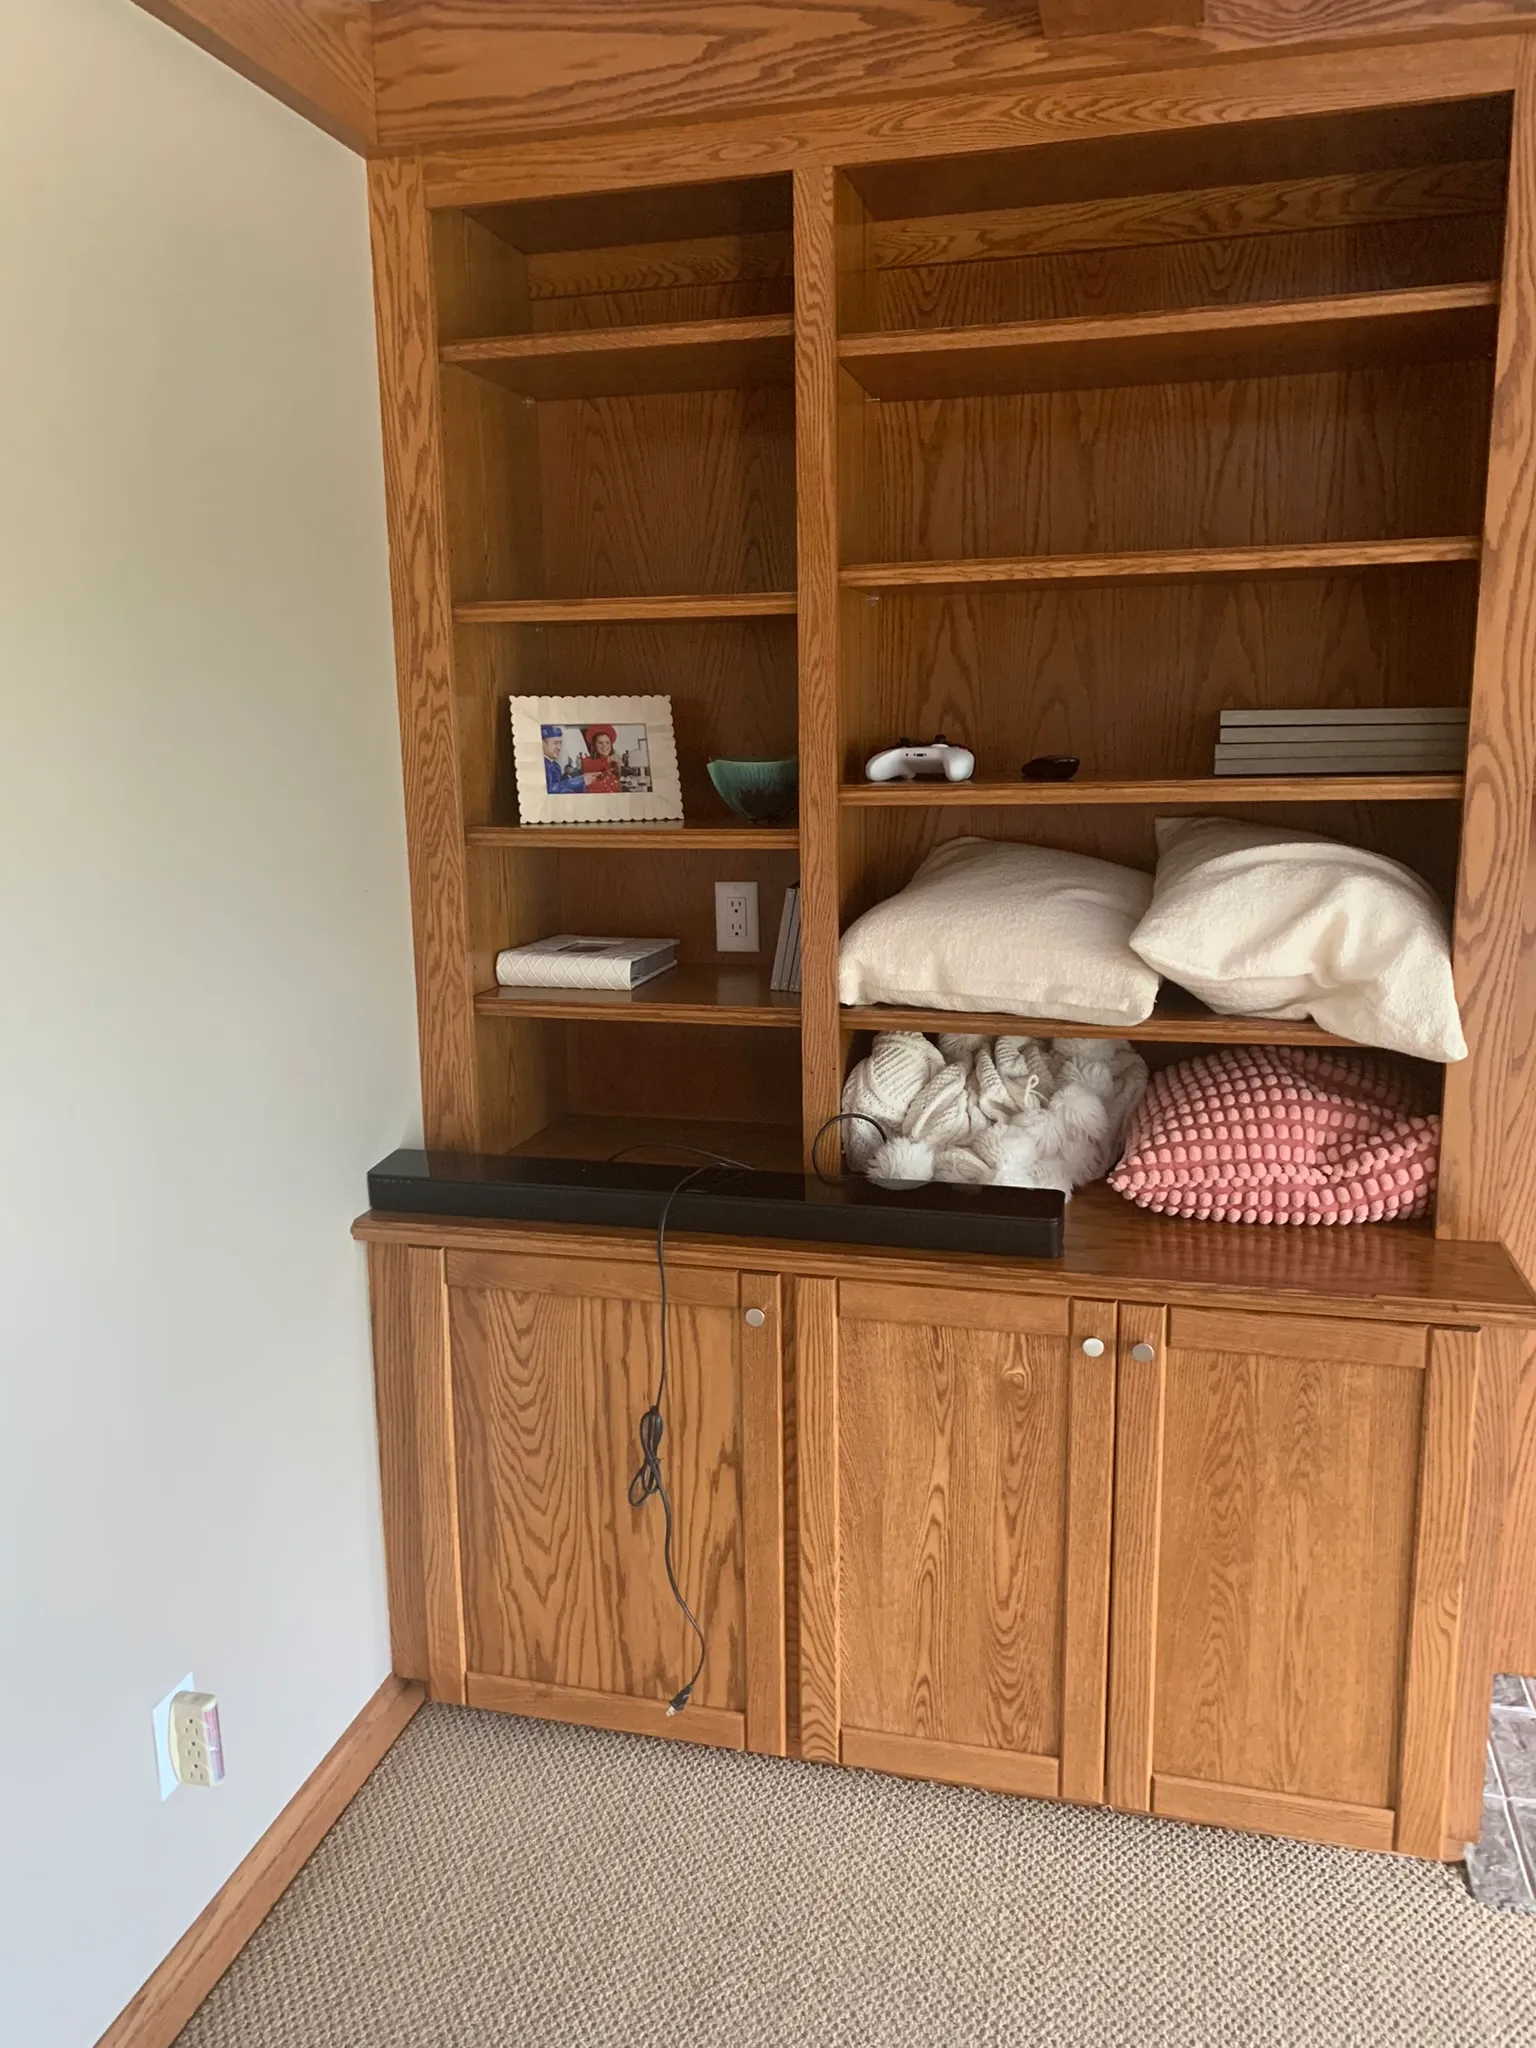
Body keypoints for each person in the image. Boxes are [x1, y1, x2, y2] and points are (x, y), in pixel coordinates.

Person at [541, 725, 584, 794]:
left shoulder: (556, 765)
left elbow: (560, 785)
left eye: (560, 743)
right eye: (555, 743)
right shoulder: (540, 765)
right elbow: (548, 790)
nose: (559, 747)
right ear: (543, 744)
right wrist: (581, 780)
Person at [581, 724, 622, 793]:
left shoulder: (614, 762)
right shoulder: (587, 761)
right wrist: (608, 760)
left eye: (607, 742)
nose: (604, 746)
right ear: (594, 746)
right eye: (600, 743)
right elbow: (594, 766)